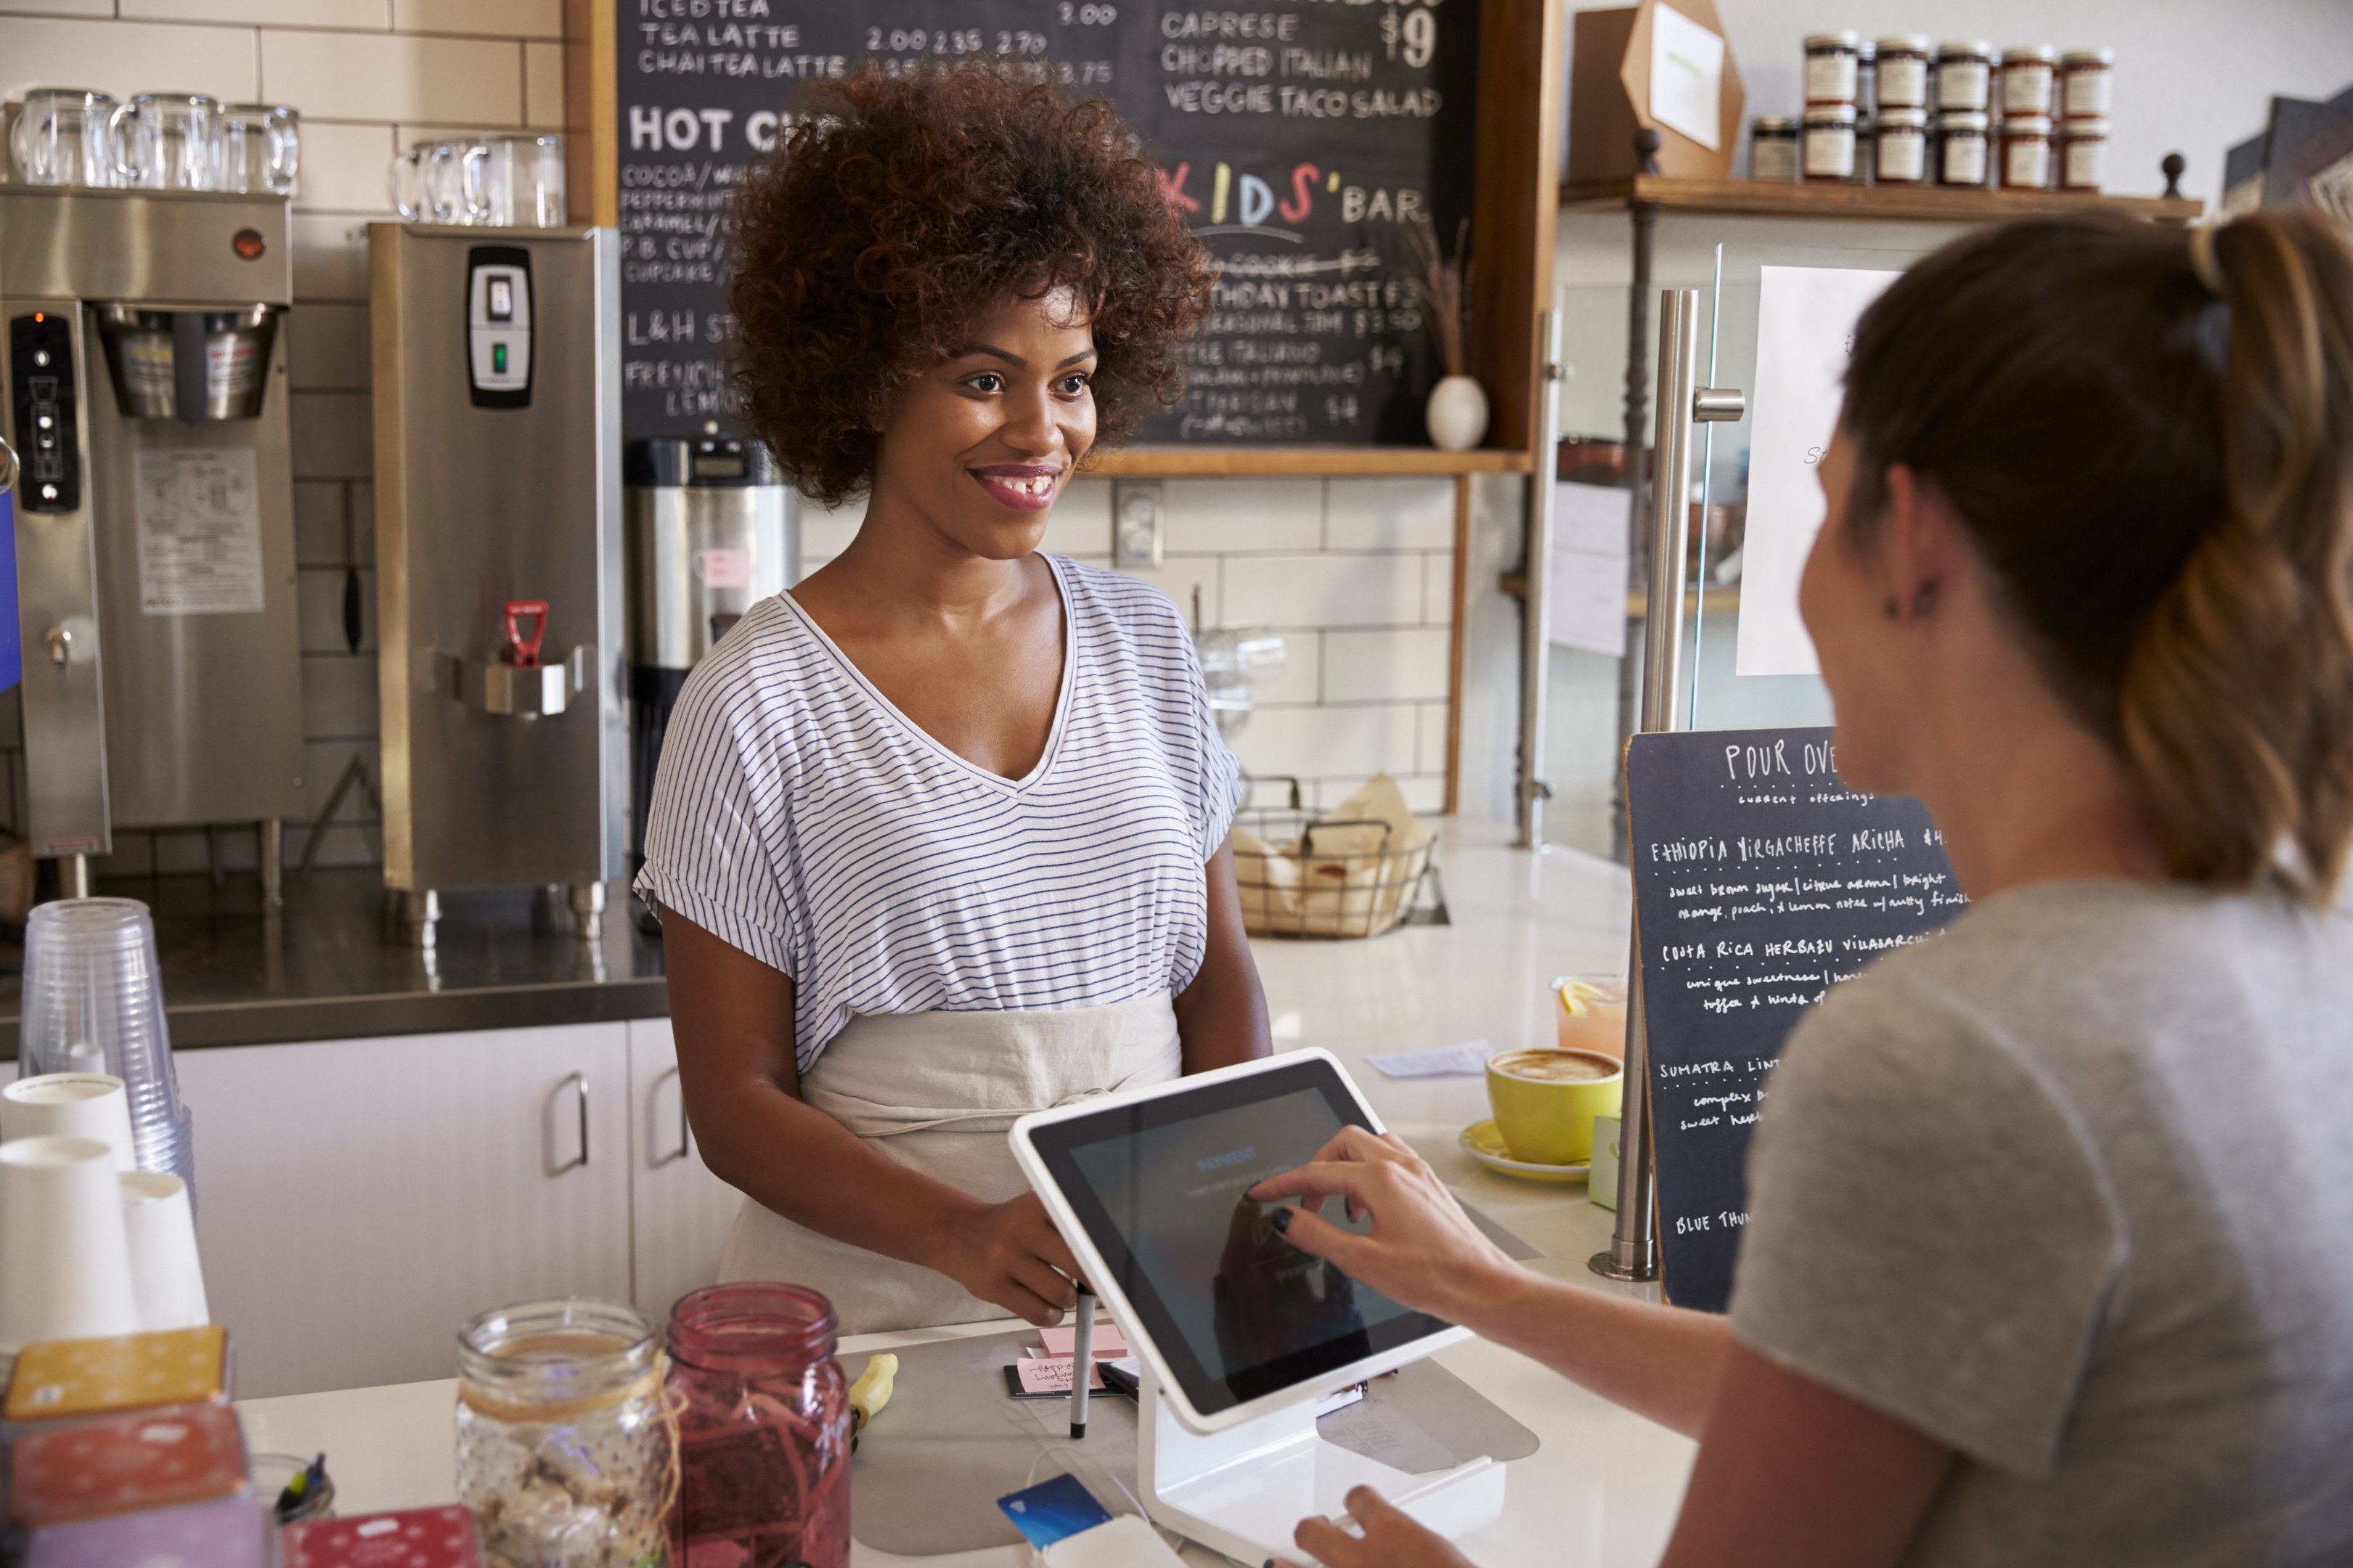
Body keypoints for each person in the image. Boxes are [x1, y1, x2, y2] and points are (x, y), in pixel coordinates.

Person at [1252, 208, 2353, 1567]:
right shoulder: (2293, 948)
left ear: (1909, 538)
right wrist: (1479, 1289)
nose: (1801, 571)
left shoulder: (1953, 1058)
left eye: (1822, 505)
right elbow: (1862, 1398)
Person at [637, 65, 1269, 1336]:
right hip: (878, 1307)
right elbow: (735, 1103)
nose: (1042, 429)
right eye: (984, 377)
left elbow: (1216, 984)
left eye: (1074, 377)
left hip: (1146, 1294)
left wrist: (1231, 1193)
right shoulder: (754, 696)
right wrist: (960, 1235)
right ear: (868, 377)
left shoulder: (1142, 641)